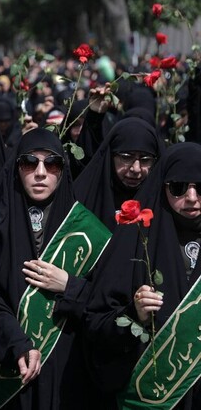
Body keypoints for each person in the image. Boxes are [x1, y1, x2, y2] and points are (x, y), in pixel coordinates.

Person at [0, 127, 108, 409]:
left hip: (68, 376)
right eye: (29, 163)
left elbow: (109, 304)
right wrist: (15, 341)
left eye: (52, 163)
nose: (40, 172)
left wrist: (70, 286)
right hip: (7, 371)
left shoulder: (88, 230)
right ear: (15, 168)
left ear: (63, 170)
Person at [85, 142, 201, 409]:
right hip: (148, 395)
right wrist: (133, 314)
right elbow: (95, 323)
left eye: (200, 187)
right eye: (179, 187)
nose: (192, 198)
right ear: (162, 187)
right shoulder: (134, 241)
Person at [75, 117, 164, 231]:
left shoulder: (161, 205)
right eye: (126, 158)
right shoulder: (84, 201)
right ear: (110, 157)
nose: (136, 169)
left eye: (145, 160)